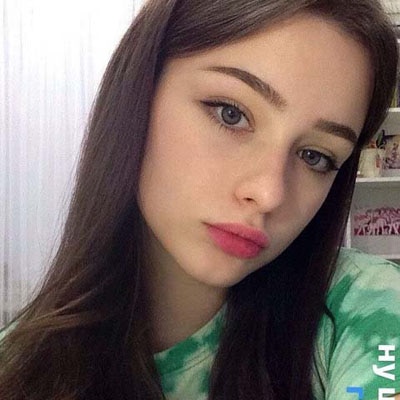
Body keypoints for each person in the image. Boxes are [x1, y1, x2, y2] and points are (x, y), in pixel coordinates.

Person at [0, 0, 399, 399]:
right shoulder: (16, 368)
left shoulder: (371, 307)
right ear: (138, 93)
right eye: (230, 114)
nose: (268, 194)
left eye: (315, 156)